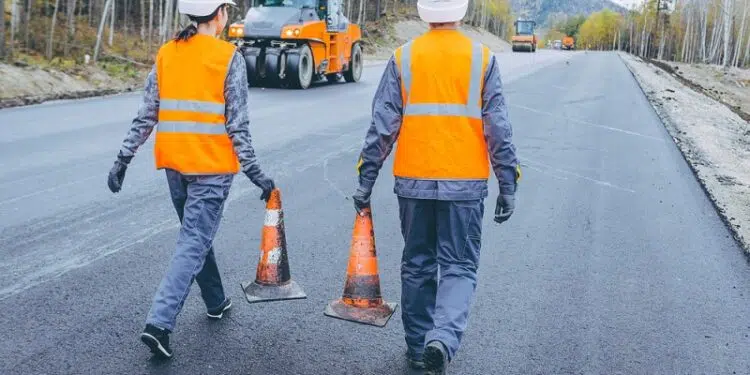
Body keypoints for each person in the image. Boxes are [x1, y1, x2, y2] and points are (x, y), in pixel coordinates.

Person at [351, 0, 520, 373]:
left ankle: (416, 348)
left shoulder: (403, 58)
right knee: (459, 266)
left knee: (417, 265)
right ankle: (441, 339)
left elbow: (382, 125)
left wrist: (366, 180)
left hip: (413, 182)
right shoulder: (482, 58)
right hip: (465, 184)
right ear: (461, 11)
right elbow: (499, 129)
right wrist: (507, 182)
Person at [106, 0, 275, 359]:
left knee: (196, 235)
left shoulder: (168, 53)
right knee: (193, 240)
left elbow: (147, 113)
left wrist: (123, 157)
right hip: (210, 168)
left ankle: (215, 300)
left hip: (175, 167)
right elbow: (238, 127)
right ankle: (159, 324)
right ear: (220, 14)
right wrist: (257, 175)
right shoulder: (228, 58)